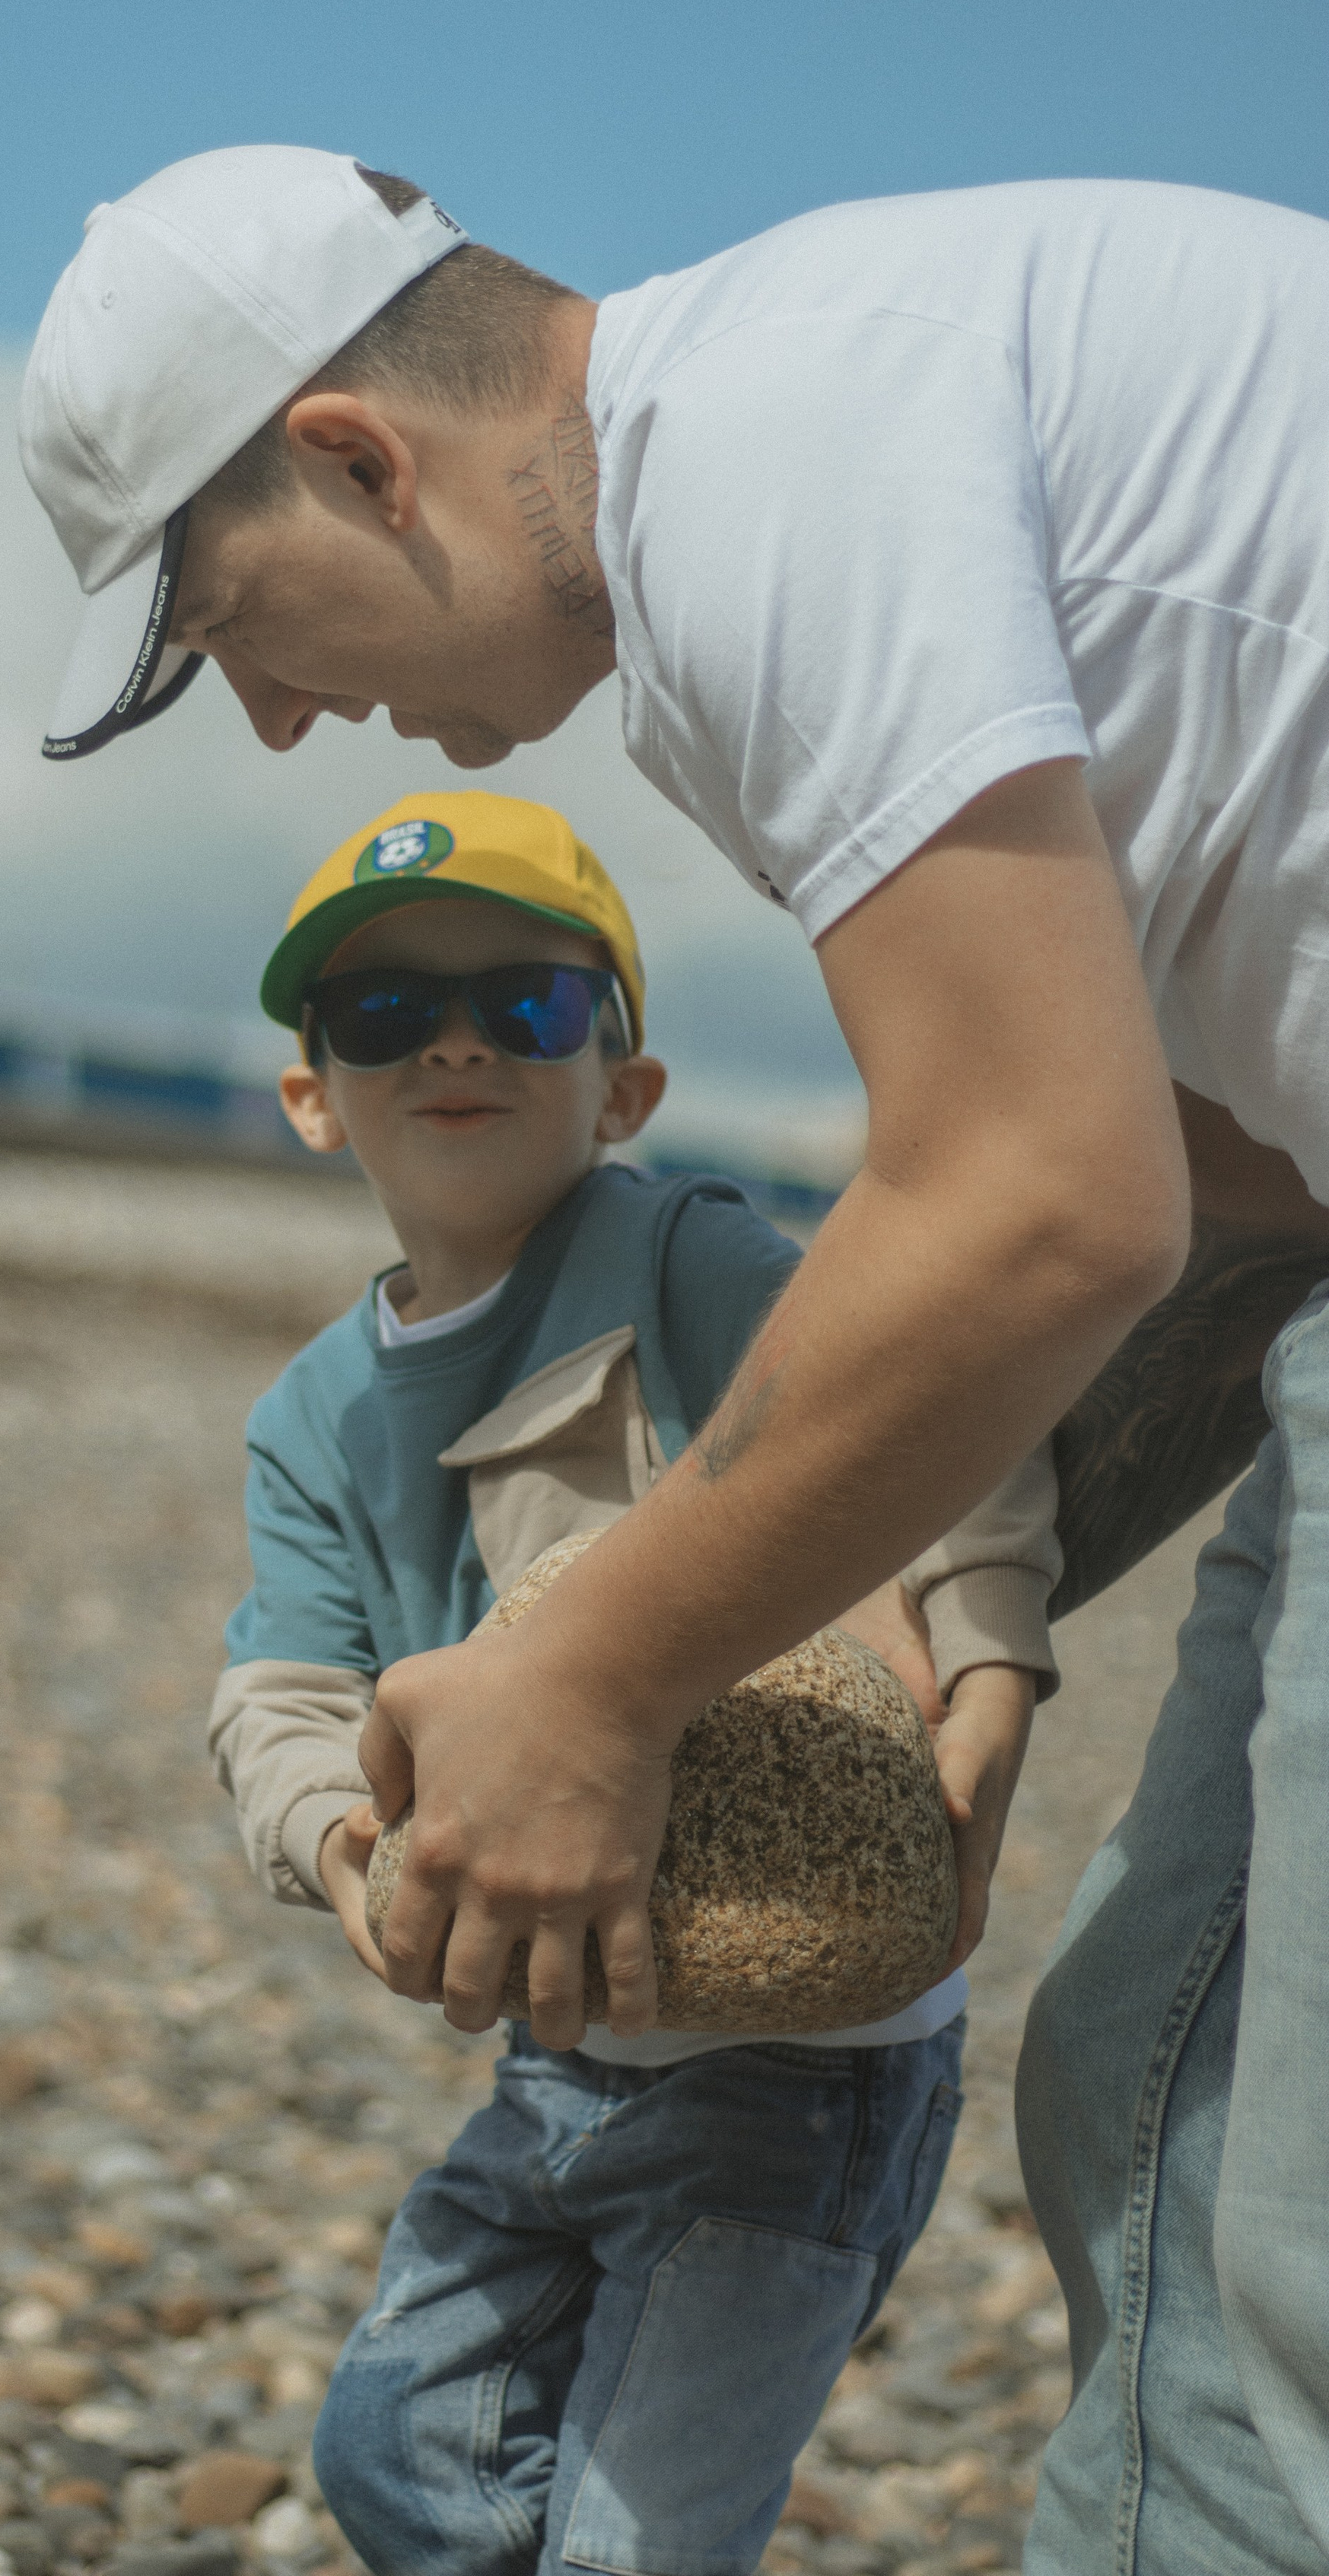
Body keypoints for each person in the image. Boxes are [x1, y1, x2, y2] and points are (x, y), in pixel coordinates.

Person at [21, 148, 1329, 2566]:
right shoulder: (820, 398)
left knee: (1261, 2233)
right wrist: (886, 1616)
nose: (293, 723)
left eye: (236, 627)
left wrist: (602, 1672)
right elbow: (1226, 1164)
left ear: (352, 456)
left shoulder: (763, 481)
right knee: (1157, 2073)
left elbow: (1047, 1196)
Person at [210, 786, 1051, 2575]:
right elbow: (278, 1691)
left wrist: (984, 1663)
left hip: (799, 2054)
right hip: (562, 2043)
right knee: (394, 2449)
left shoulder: (684, 1264)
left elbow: (939, 1402)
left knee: (641, 2538)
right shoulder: (312, 1418)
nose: (450, 1039)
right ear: (310, 1094)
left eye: (522, 1004)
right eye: (380, 1016)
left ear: (622, 1087)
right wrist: (348, 1853)